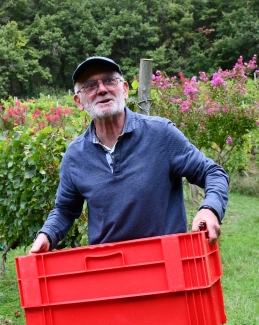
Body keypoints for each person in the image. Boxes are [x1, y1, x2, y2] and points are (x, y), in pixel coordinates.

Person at [30, 57, 229, 254]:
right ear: (78, 101)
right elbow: (65, 210)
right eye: (90, 86)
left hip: (168, 266)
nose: (101, 89)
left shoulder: (161, 134)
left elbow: (213, 172)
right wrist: (46, 235)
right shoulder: (75, 156)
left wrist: (210, 209)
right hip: (110, 271)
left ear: (124, 89)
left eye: (109, 81)